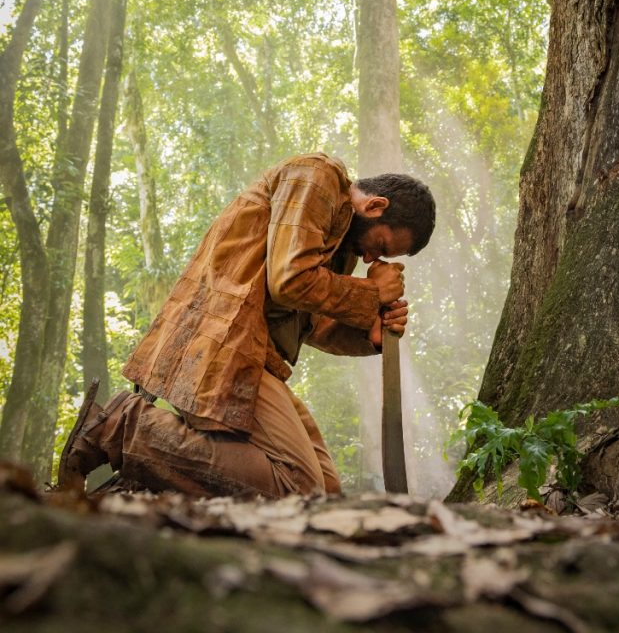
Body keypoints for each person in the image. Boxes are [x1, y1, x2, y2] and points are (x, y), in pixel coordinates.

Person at [58, 153, 436, 498]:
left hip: (255, 359)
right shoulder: (318, 177)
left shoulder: (341, 246)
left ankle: (148, 475)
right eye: (381, 246)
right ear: (375, 205)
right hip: (221, 344)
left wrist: (367, 335)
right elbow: (289, 281)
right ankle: (120, 427)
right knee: (299, 489)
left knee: (327, 495)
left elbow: (313, 326)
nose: (372, 257)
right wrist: (371, 293)